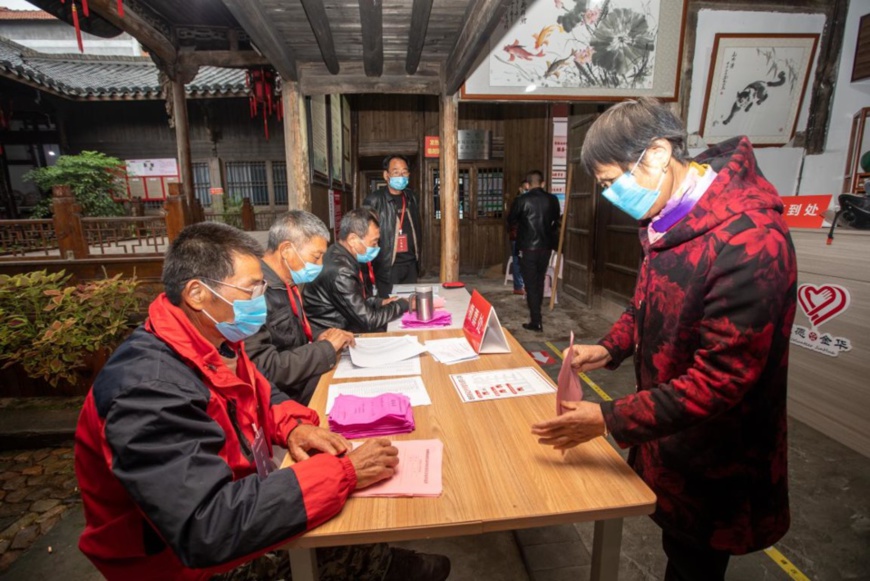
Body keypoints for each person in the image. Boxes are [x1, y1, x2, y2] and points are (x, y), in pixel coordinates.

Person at [74, 222, 449, 581]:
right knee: (340, 514)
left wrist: (295, 426)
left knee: (349, 509)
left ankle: (376, 560)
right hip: (182, 566)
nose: (260, 301)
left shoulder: (213, 342)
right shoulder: (147, 390)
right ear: (197, 294)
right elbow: (208, 527)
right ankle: (372, 565)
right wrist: (344, 474)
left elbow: (260, 397)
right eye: (251, 290)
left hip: (234, 497)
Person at [531, 98, 796, 581]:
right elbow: (647, 304)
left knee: (696, 562)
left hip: (719, 450)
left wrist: (609, 417)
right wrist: (610, 347)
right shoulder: (669, 215)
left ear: (655, 154)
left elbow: (721, 379)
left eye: (613, 182)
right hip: (670, 431)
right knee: (678, 547)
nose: (611, 196)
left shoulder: (750, 239)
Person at [245, 211, 355, 405]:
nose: (320, 265)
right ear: (286, 249)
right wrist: (325, 349)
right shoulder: (254, 293)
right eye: (316, 257)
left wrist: (320, 335)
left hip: (302, 380)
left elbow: (292, 334)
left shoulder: (287, 281)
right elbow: (264, 368)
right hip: (284, 398)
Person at [304, 208, 412, 336]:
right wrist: (402, 304)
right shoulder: (341, 271)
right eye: (374, 242)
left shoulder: (339, 252)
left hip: (344, 325)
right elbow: (369, 320)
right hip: (330, 335)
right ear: (353, 240)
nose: (377, 247)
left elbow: (355, 300)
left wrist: (380, 302)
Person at [507, 170, 560, 332]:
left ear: (527, 185)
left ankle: (536, 320)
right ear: (543, 184)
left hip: (528, 248)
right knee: (538, 280)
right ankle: (536, 317)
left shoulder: (522, 200)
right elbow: (556, 220)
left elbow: (510, 221)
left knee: (530, 284)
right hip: (545, 247)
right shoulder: (553, 199)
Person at [363, 154, 422, 297]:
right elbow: (364, 233)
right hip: (387, 266)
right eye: (396, 172)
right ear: (386, 175)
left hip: (411, 264)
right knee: (389, 304)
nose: (401, 176)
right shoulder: (374, 200)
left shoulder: (411, 197)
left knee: (409, 302)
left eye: (404, 172)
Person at [508, 179, 531, 296]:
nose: (527, 191)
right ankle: (518, 286)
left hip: (529, 237)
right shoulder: (518, 201)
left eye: (529, 189)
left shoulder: (532, 201)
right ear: (520, 189)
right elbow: (511, 219)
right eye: (525, 189)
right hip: (517, 236)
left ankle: (527, 285)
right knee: (517, 260)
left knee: (527, 261)